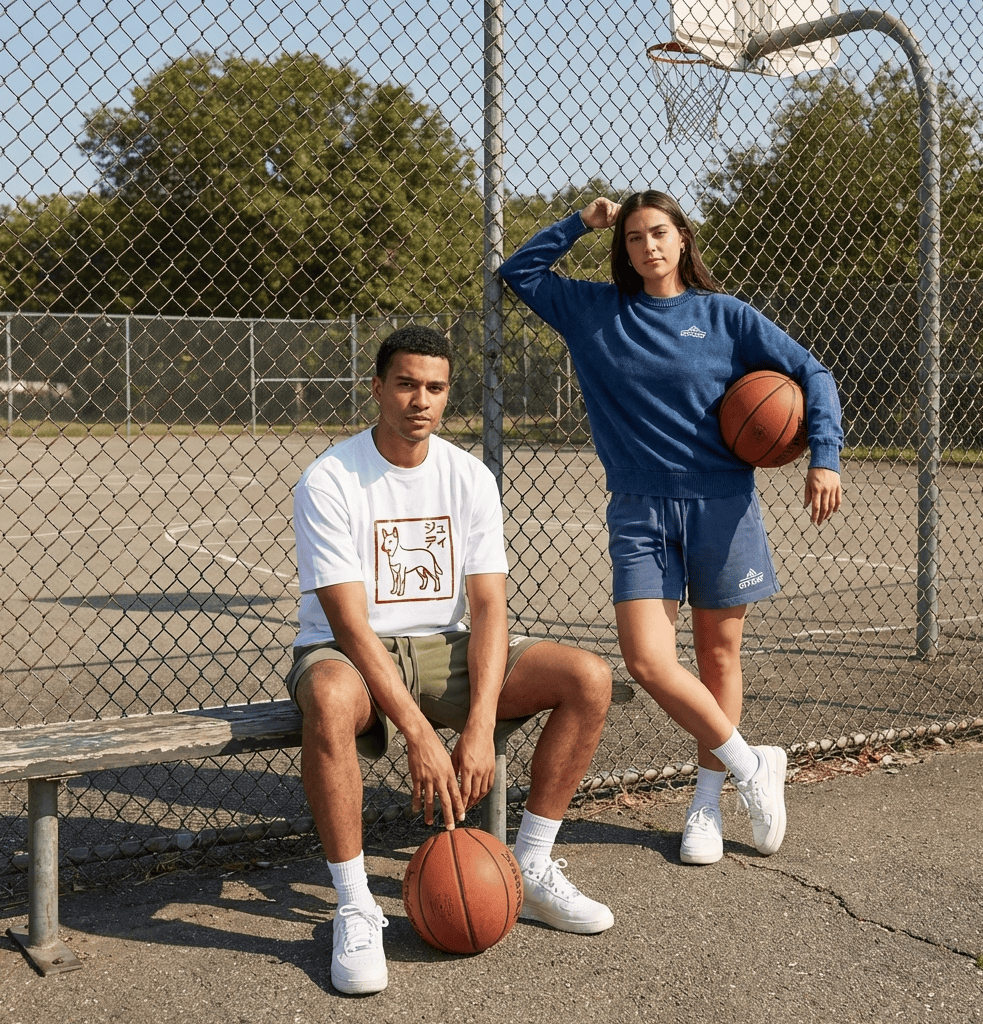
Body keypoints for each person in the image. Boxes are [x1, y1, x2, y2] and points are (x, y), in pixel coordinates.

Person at [499, 190, 843, 868]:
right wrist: (579, 222)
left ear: (683, 239)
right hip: (639, 508)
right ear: (622, 249)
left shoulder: (724, 315)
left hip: (723, 504)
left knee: (718, 657)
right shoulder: (595, 311)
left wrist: (824, 456)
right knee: (649, 661)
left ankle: (706, 804)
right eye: (632, 238)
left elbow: (812, 373)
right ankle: (752, 764)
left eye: (659, 233)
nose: (648, 246)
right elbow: (520, 274)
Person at [287, 325, 614, 995]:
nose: (420, 400)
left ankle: (529, 870)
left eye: (434, 388)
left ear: (447, 396)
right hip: (353, 654)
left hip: (449, 647)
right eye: (405, 384)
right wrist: (418, 735)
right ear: (377, 388)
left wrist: (478, 725)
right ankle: (354, 905)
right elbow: (349, 624)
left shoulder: (468, 476)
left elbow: (491, 608)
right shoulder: (330, 480)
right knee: (326, 698)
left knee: (589, 676)